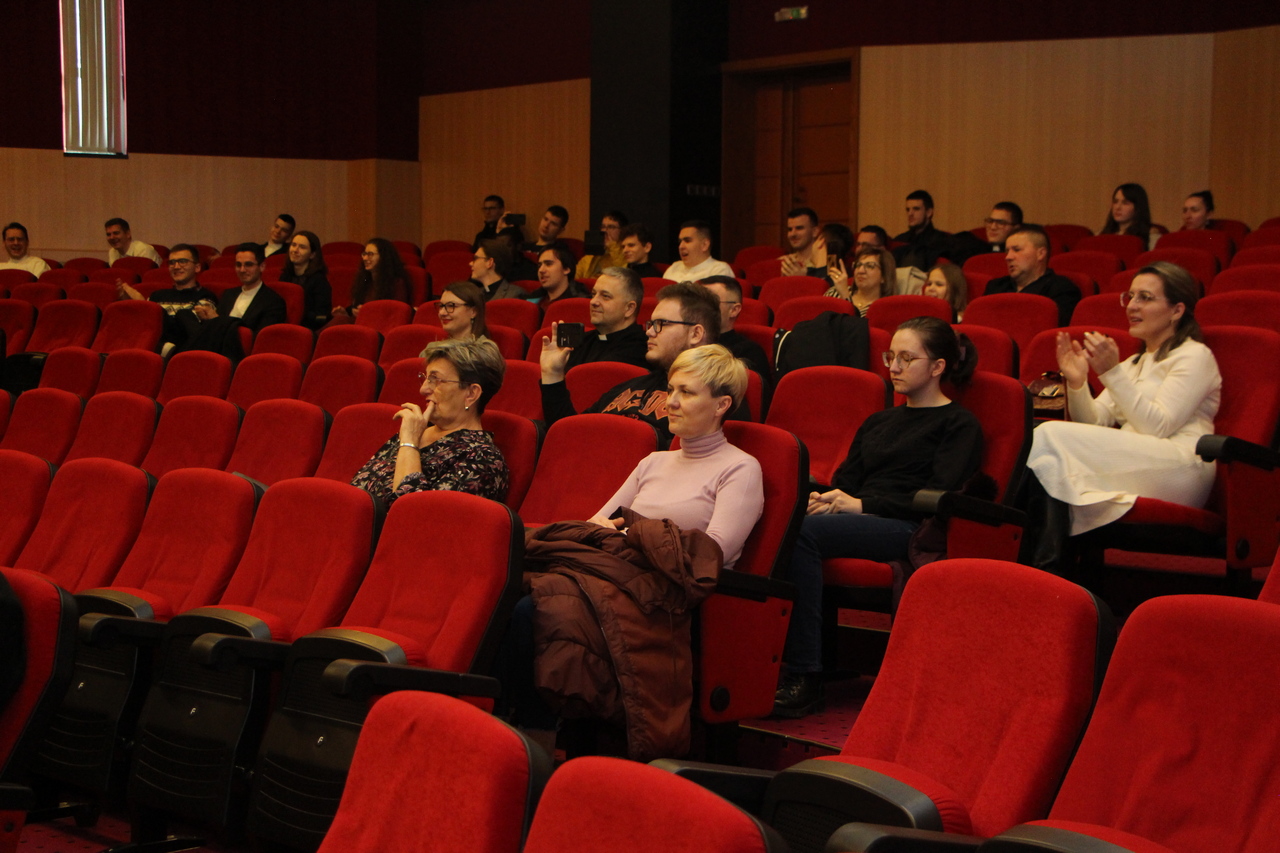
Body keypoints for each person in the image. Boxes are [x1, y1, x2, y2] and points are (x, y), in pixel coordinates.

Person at [503, 343, 764, 758]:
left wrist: (636, 532)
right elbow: (596, 525)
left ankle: (536, 737)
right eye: (671, 389)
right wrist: (626, 533)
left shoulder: (740, 468)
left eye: (686, 392)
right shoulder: (653, 462)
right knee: (513, 589)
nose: (671, 402)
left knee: (536, 610)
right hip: (615, 574)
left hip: (668, 596)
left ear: (722, 405)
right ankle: (513, 728)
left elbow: (710, 554)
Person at [773, 317, 983, 717]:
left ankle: (805, 675)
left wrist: (861, 505)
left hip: (912, 526)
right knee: (785, 521)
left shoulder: (959, 423)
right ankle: (785, 662)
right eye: (891, 357)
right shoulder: (879, 420)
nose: (895, 367)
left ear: (938, 366)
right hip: (864, 516)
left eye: (907, 358)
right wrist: (823, 498)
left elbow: (938, 496)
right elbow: (847, 481)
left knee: (803, 534)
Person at [1024, 262, 1220, 571]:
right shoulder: (1133, 363)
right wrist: (1077, 383)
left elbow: (1158, 427)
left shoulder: (1194, 356)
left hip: (1183, 467)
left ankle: (1039, 567)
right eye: (1130, 297)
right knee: (1049, 457)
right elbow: (1095, 422)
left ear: (1177, 310)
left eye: (1145, 298)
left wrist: (1112, 373)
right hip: (1139, 460)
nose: (1132, 306)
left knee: (1048, 436)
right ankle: (1046, 568)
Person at [541, 281, 729, 446]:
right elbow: (570, 435)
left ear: (695, 334)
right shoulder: (631, 386)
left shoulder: (715, 397)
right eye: (651, 324)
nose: (650, 332)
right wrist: (552, 375)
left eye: (661, 324)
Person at [350, 338, 509, 506]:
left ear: (471, 393)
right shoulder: (417, 430)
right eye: (425, 378)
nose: (423, 389)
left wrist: (409, 443)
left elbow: (416, 512)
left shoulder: (482, 459)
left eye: (435, 380)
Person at [539, 267, 649, 378]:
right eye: (593, 294)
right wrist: (552, 371)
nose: (593, 301)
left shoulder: (642, 348)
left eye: (605, 296)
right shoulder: (582, 341)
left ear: (629, 308)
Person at [117, 243, 218, 353]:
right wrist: (135, 306)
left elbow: (190, 329)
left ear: (197, 267)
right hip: (153, 347)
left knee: (183, 315)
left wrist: (143, 304)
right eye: (172, 262)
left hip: (183, 350)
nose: (176, 266)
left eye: (183, 261)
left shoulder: (205, 296)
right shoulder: (157, 295)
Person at [984, 224, 1081, 326]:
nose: (1008, 257)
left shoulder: (1062, 290)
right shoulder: (995, 286)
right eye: (1007, 251)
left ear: (1040, 254)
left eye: (1017, 250)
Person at [193, 242, 287, 334]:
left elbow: (260, 337)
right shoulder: (228, 294)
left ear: (262, 266)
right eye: (238, 265)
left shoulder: (273, 301)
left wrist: (217, 319)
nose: (242, 270)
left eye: (248, 265)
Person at [699, 275, 771, 384]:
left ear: (734, 310)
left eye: (710, 301)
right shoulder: (686, 341)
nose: (700, 308)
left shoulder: (748, 353)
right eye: (697, 301)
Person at [331, 237, 410, 322]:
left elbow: (396, 313)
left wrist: (368, 312)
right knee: (340, 319)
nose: (365, 258)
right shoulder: (365, 281)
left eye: (370, 254)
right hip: (361, 322)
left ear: (383, 257)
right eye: (364, 254)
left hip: (380, 324)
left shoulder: (396, 283)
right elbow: (357, 308)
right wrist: (346, 313)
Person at [277, 230, 332, 330]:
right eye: (293, 245)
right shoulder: (285, 277)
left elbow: (321, 316)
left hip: (307, 330)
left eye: (302, 247)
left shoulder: (319, 281)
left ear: (312, 255)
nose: (295, 250)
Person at [892, 190, 952, 271]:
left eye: (916, 209)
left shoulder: (942, 241)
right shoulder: (900, 240)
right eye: (908, 209)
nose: (910, 213)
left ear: (929, 212)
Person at [831, 246, 895, 316]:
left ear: (884, 276)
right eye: (858, 265)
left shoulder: (882, 309)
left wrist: (845, 296)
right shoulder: (835, 292)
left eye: (870, 266)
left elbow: (852, 322)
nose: (861, 271)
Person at [662, 220, 735, 281]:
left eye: (687, 241)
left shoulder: (719, 270)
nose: (681, 246)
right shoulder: (674, 268)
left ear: (704, 245)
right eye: (680, 242)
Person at [1100, 182, 1159, 249]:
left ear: (1138, 208)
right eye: (1115, 202)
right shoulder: (1102, 234)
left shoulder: (1151, 235)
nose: (1117, 207)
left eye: (1125, 203)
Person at [575, 210, 629, 279]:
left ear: (622, 230)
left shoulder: (626, 252)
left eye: (611, 227)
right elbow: (576, 275)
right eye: (603, 227)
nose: (605, 231)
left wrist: (612, 245)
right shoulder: (593, 253)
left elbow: (622, 273)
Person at [779, 207, 821, 276]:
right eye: (790, 229)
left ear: (815, 232)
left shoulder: (825, 263)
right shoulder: (783, 262)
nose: (793, 234)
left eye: (799, 228)